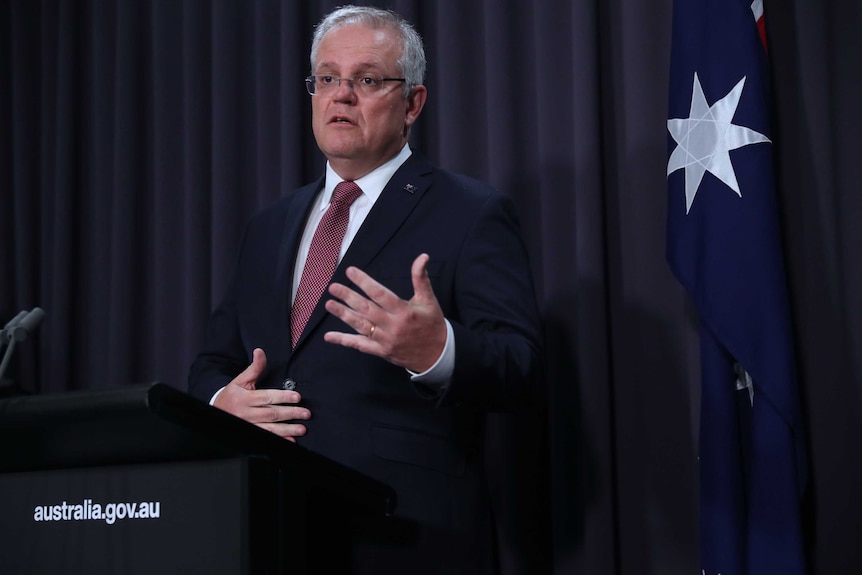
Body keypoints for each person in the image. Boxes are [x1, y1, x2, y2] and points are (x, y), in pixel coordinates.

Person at [188, 5, 542, 574]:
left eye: (368, 79)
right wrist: (220, 403)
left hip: (403, 533)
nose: (342, 96)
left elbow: (520, 364)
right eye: (327, 78)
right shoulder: (270, 224)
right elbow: (213, 360)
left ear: (413, 104)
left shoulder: (470, 211)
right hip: (271, 523)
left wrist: (438, 353)